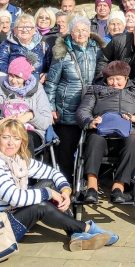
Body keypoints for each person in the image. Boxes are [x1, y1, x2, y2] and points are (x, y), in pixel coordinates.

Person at [0, 119, 117, 255]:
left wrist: (65, 190)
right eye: (6, 137)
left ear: (22, 142)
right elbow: (15, 197)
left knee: (49, 184)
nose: (11, 143)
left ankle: (75, 234)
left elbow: (52, 173)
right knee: (40, 206)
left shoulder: (17, 160)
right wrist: (49, 193)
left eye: (16, 138)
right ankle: (85, 229)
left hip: (3, 219)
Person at [76, 61, 135, 204]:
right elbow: (82, 111)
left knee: (133, 142)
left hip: (128, 134)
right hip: (102, 134)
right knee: (94, 140)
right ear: (106, 80)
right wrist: (90, 121)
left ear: (126, 79)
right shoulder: (95, 90)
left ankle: (118, 188)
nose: (115, 83)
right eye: (111, 79)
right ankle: (91, 187)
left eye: (118, 79)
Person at [46, 17, 105, 178]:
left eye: (84, 30)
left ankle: (85, 183)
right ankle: (65, 184)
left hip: (91, 109)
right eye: (77, 30)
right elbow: (51, 82)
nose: (81, 33)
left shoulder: (98, 51)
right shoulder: (62, 52)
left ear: (89, 32)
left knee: (89, 148)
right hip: (66, 109)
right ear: (71, 33)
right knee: (65, 150)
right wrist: (51, 107)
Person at [0, 58, 53, 154]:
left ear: (25, 78)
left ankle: (25, 167)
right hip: (6, 132)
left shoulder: (38, 90)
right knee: (11, 141)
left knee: (23, 139)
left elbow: (46, 121)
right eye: (11, 76)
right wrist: (1, 122)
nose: (13, 81)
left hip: (32, 132)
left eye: (18, 77)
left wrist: (30, 116)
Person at [0, 14, 52, 82]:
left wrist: (46, 75)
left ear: (34, 30)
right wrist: (19, 69)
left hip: (37, 85)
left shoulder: (44, 46)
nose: (24, 30)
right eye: (20, 27)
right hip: (14, 84)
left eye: (28, 27)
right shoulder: (6, 45)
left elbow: (52, 68)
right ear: (15, 30)